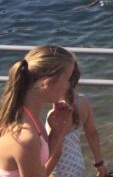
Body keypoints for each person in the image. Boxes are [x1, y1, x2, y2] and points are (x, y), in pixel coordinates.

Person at [0, 45, 77, 177]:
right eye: (67, 79)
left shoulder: (28, 116)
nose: (68, 85)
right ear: (49, 83)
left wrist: (56, 133)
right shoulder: (25, 137)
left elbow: (37, 164)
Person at [48, 63, 109, 177]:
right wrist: (99, 163)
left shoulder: (57, 111)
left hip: (58, 169)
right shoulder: (82, 101)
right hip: (77, 163)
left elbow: (53, 150)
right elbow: (92, 133)